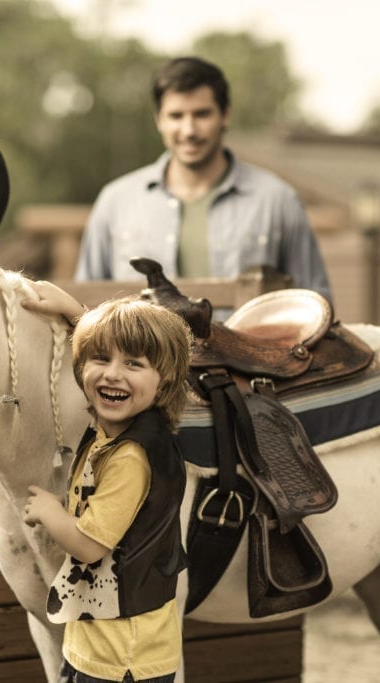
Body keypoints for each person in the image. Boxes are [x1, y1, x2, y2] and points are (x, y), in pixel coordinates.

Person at [23, 295, 192, 683]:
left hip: (123, 655)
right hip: (100, 639)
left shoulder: (131, 457)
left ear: (164, 377)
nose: (113, 374)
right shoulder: (111, 432)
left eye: (134, 364)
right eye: (100, 360)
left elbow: (89, 546)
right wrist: (73, 312)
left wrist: (50, 511)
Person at [75, 56, 332, 303]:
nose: (189, 131)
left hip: (247, 349)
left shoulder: (277, 200)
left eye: (201, 114)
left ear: (225, 115)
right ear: (159, 121)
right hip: (139, 351)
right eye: (176, 116)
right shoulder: (115, 201)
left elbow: (314, 304)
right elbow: (86, 309)